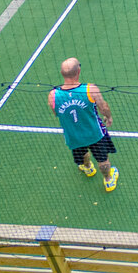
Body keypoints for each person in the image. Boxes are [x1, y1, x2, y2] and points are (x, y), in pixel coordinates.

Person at [48, 57, 118, 192]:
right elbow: (103, 107)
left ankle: (88, 168)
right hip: (94, 134)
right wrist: (108, 117)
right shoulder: (90, 89)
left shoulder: (53, 95)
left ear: (62, 73)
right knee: (102, 159)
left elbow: (56, 113)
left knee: (82, 151)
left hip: (73, 135)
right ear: (78, 71)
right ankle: (108, 180)